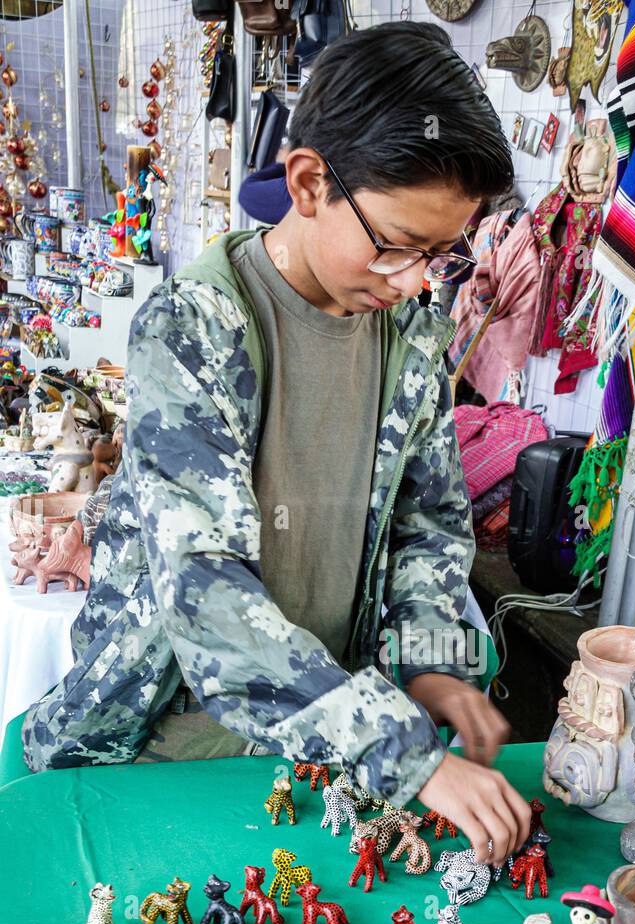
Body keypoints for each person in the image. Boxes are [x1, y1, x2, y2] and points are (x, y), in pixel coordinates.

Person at [22, 22, 531, 864]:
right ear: (307, 183)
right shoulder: (192, 330)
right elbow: (207, 600)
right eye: (397, 246)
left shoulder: (411, 337)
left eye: (440, 255)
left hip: (328, 754)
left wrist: (431, 665)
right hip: (174, 752)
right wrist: (405, 755)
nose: (413, 280)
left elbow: (428, 529)